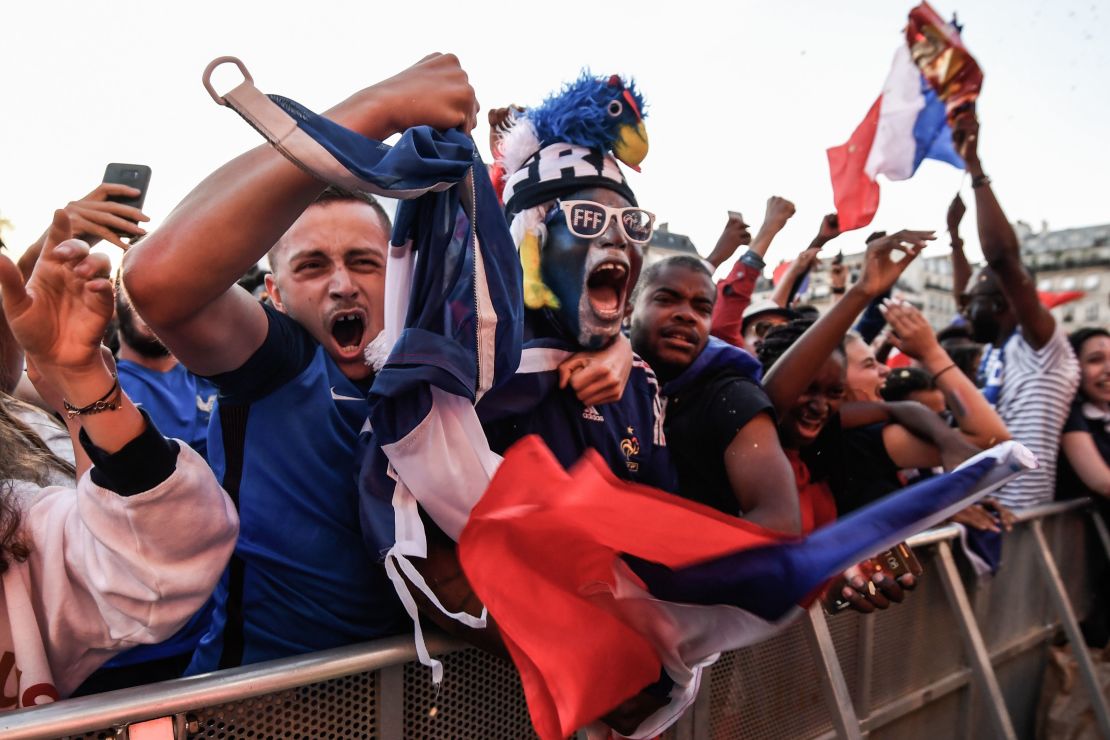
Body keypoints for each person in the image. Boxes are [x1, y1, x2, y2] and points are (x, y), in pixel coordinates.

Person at [123, 54, 480, 672]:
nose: (342, 284)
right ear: (276, 296)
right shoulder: (280, 364)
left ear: (400, 274)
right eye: (313, 266)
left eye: (365, 262)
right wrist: (378, 108)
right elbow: (156, 279)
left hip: (411, 703)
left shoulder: (443, 373)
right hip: (258, 713)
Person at [0, 210, 236, 708]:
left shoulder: (15, 525)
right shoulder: (45, 400)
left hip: (170, 633)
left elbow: (142, 559)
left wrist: (82, 386)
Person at [954, 107, 1078, 508]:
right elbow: (966, 297)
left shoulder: (1040, 348)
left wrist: (976, 169)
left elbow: (1004, 258)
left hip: (1023, 517)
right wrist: (954, 240)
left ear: (1007, 302)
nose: (968, 312)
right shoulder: (996, 346)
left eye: (979, 304)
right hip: (989, 513)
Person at [629, 255, 800, 533]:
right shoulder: (596, 367)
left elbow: (779, 523)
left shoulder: (732, 395)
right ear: (628, 308)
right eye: (666, 299)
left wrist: (654, 553)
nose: (686, 314)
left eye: (702, 308)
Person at [1057, 327, 1110, 646]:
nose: (1107, 369)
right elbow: (1100, 480)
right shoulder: (1071, 415)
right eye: (1095, 360)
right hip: (1084, 569)